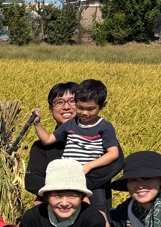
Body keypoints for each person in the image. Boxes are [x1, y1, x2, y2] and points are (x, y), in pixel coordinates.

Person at [29, 79, 121, 217]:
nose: (66, 107)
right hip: (56, 208)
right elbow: (32, 181)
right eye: (59, 102)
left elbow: (114, 161)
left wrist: (79, 188)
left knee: (98, 219)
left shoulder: (102, 133)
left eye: (71, 101)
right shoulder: (40, 147)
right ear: (50, 108)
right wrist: (61, 193)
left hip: (95, 198)